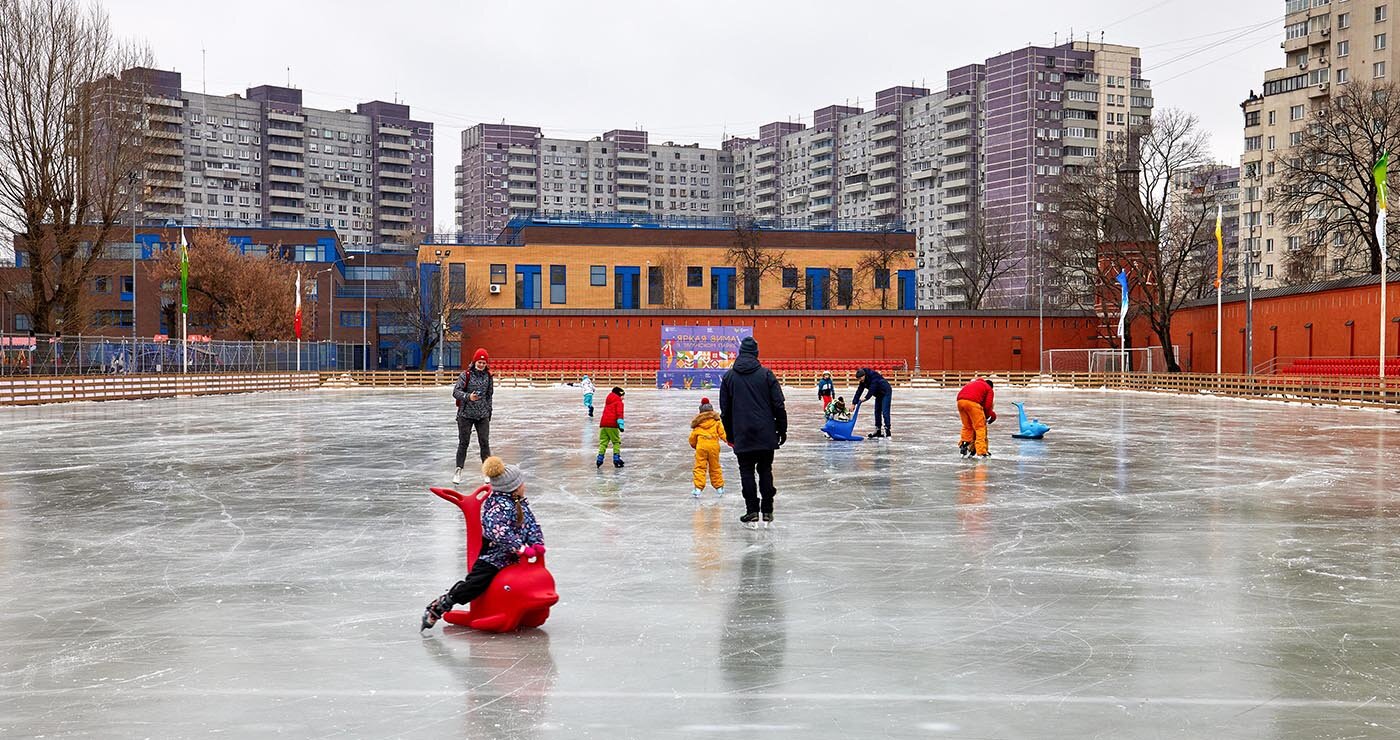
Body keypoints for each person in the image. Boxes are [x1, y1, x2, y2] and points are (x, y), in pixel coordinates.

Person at [421, 456, 545, 631]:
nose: (525, 485)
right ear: (514, 488)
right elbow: (499, 532)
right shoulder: (497, 507)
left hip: (516, 558)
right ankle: (441, 604)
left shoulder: (521, 504)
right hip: (494, 557)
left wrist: (537, 543)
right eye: (522, 483)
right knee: (476, 584)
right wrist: (521, 547)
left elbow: (532, 525)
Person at [720, 337, 787, 527]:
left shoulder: (729, 377)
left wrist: (731, 436)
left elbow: (725, 411)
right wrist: (782, 430)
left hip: (742, 434)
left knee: (746, 472)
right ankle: (767, 510)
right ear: (756, 354)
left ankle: (752, 511)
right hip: (766, 433)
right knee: (765, 470)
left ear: (740, 353)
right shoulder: (767, 375)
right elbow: (779, 406)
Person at [452, 348, 494, 484]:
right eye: (479, 362)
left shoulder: (488, 377)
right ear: (474, 361)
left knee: (484, 443)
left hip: (482, 415)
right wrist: (468, 396)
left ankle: (487, 472)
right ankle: (458, 470)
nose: (481, 364)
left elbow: (489, 396)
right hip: (465, 415)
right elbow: (456, 392)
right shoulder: (466, 375)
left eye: (483, 362)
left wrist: (488, 412)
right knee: (463, 443)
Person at [688, 397, 727, 498]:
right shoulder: (717, 422)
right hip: (714, 446)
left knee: (700, 467)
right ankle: (719, 487)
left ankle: (698, 488)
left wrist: (695, 446)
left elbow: (692, 439)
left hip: (701, 447)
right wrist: (730, 441)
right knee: (715, 467)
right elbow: (723, 434)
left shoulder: (698, 424)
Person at [956, 377, 998, 458]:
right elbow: (987, 406)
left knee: (967, 426)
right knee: (980, 427)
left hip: (960, 402)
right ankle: (981, 452)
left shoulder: (974, 383)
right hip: (973, 403)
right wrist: (991, 416)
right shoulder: (988, 388)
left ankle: (964, 444)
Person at [852, 367, 893, 439]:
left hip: (885, 391)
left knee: (885, 411)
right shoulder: (863, 381)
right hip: (878, 394)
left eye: (860, 378)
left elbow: (872, 388)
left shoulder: (873, 376)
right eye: (858, 379)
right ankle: (878, 431)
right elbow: (859, 391)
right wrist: (854, 403)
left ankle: (888, 430)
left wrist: (866, 398)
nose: (860, 380)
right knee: (877, 411)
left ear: (864, 375)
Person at [597, 386, 625, 468]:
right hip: (612, 425)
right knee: (616, 442)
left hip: (603, 425)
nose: (623, 398)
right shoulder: (619, 402)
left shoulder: (608, 402)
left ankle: (599, 459)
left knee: (603, 442)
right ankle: (616, 458)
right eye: (623, 395)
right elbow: (619, 413)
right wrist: (621, 424)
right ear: (619, 394)